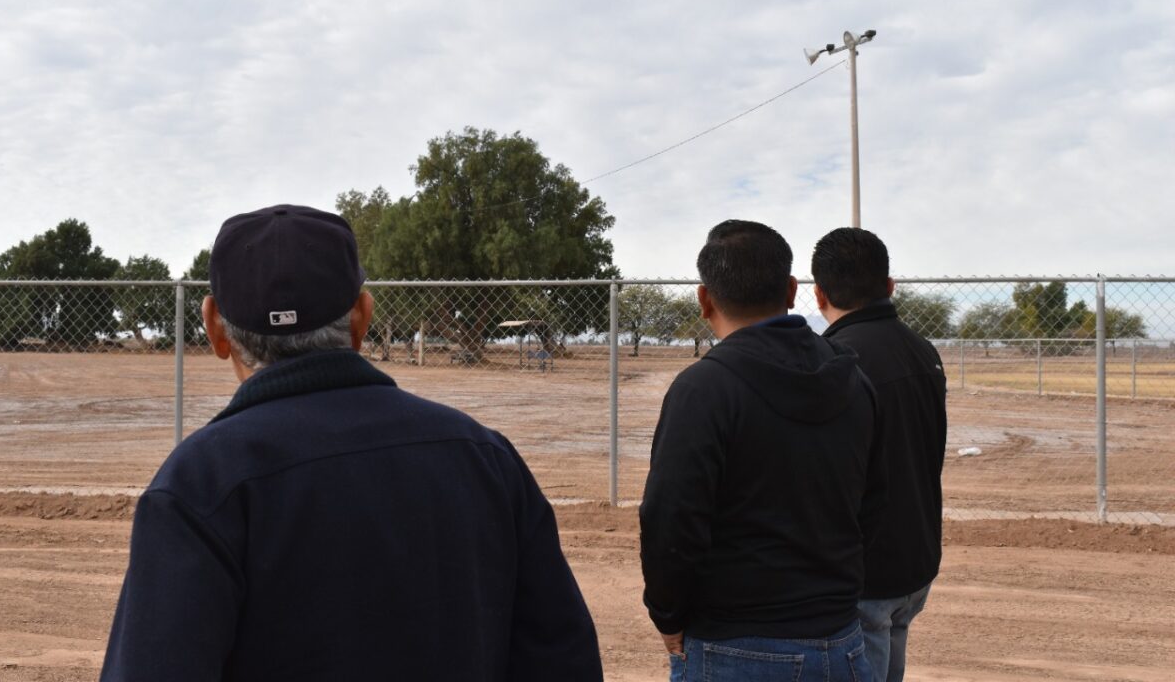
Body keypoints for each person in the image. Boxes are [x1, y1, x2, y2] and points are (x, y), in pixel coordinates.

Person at [100, 204, 602, 682]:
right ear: (362, 317)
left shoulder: (199, 485)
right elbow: (562, 656)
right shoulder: (485, 457)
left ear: (214, 328)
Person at [639, 219, 885, 682]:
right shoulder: (854, 381)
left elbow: (671, 518)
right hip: (843, 645)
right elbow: (874, 503)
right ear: (792, 290)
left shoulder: (704, 389)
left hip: (733, 648)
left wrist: (667, 614)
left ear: (704, 299)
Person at [812, 227, 947, 682]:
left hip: (866, 573)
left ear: (818, 294)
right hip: (915, 559)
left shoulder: (835, 360)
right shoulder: (923, 349)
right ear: (889, 286)